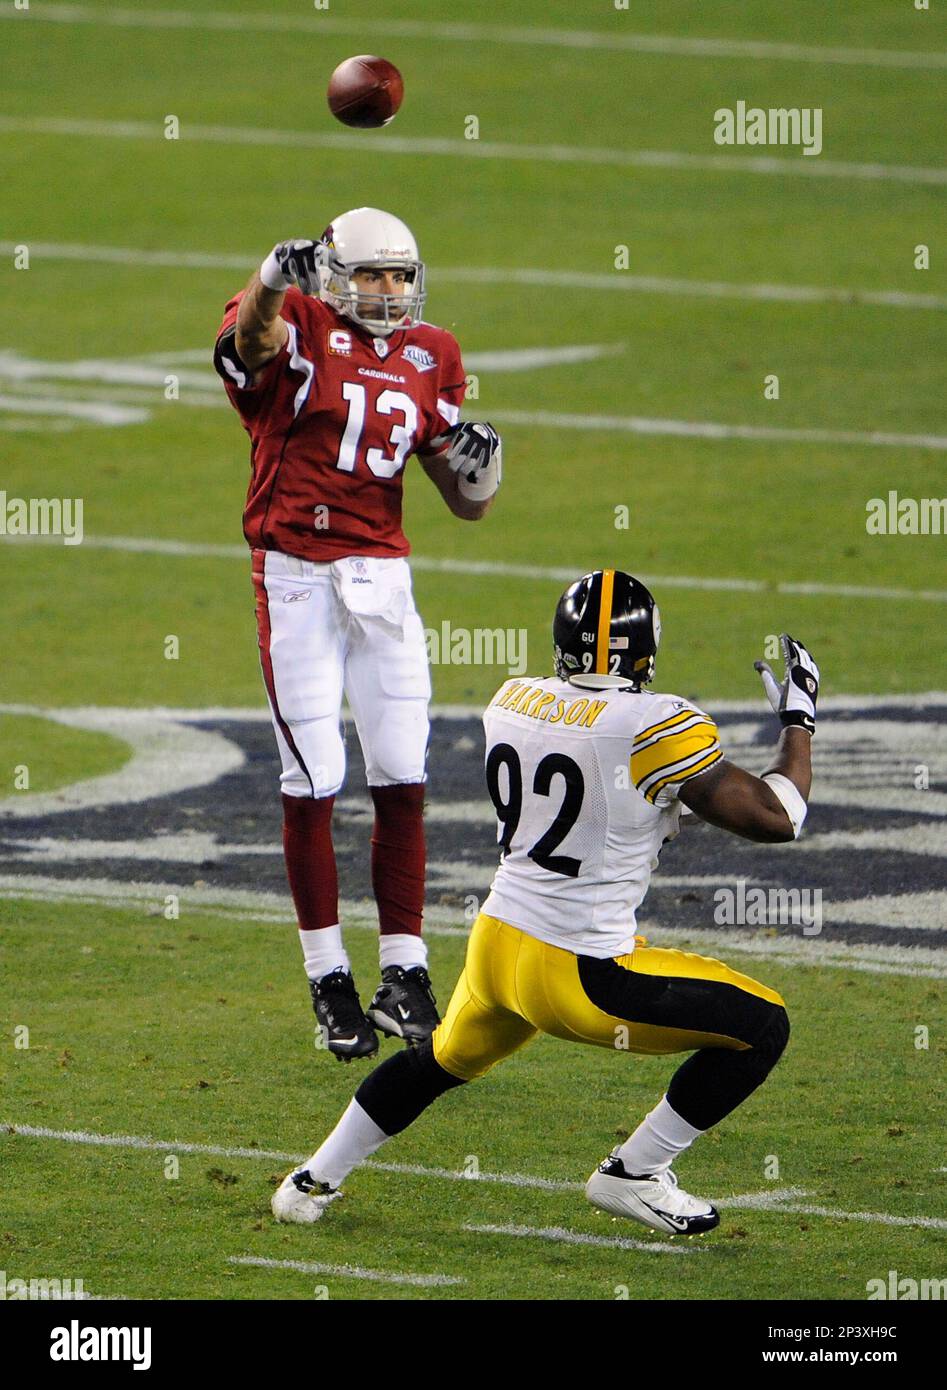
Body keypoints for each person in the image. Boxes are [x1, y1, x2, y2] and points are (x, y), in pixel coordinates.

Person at [271, 570, 819, 1235]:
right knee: (764, 1026)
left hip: (499, 948)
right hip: (582, 976)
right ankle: (634, 1172)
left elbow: (621, 795)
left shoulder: (511, 699)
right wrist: (797, 721)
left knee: (438, 1061)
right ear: (645, 651)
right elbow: (775, 816)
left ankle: (310, 1181)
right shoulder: (657, 724)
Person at [213, 208, 503, 1061]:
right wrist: (271, 273)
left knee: (404, 774)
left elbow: (467, 504)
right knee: (314, 780)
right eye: (372, 274)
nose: (388, 291)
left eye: (400, 275)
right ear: (333, 273)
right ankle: (328, 975)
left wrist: (481, 463)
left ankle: (404, 974)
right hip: (296, 574)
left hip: (382, 579)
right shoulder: (296, 318)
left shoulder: (433, 353)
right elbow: (247, 341)